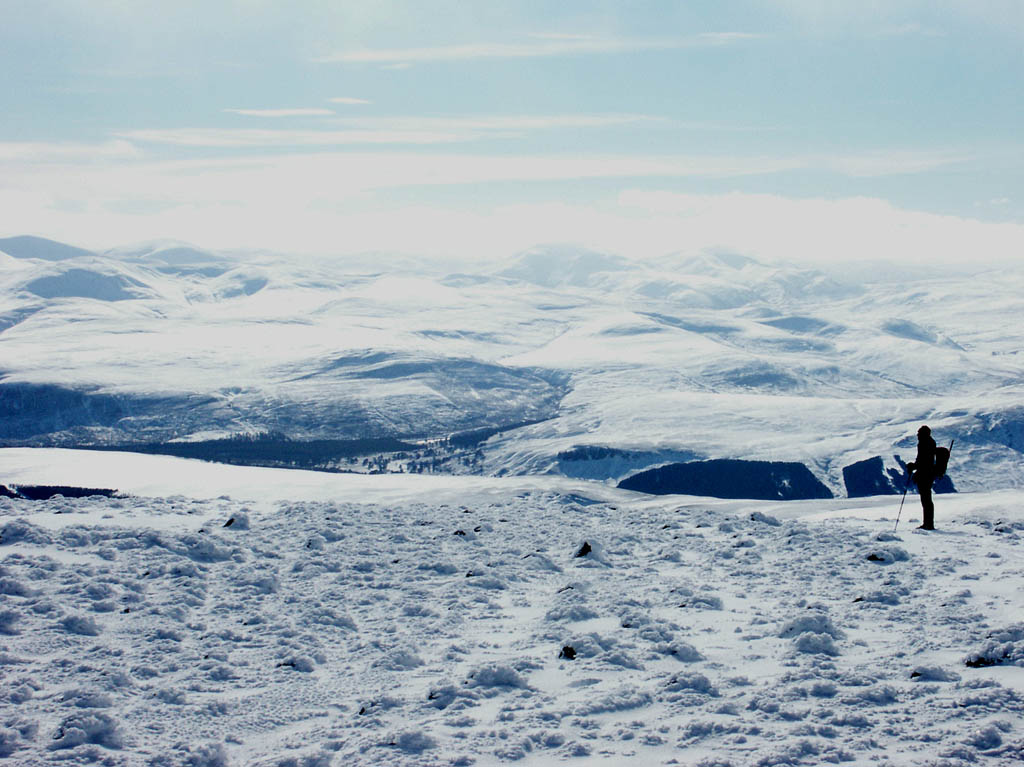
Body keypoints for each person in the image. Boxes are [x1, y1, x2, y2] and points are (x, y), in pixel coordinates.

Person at [906, 425, 937, 530]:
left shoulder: (925, 443)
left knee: (926, 499)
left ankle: (928, 524)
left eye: (919, 433)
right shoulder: (929, 442)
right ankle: (928, 523)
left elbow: (923, 460)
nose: (917, 435)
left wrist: (913, 466)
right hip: (928, 473)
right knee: (927, 499)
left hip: (925, 474)